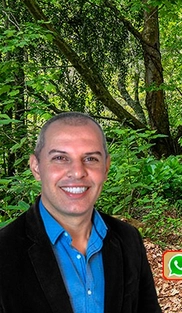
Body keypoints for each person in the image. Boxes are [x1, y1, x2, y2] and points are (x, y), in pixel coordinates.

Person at [0, 112, 162, 313]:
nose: (77, 172)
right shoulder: (4, 251)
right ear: (36, 167)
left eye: (91, 158)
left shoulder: (128, 240)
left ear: (106, 167)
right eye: (60, 158)